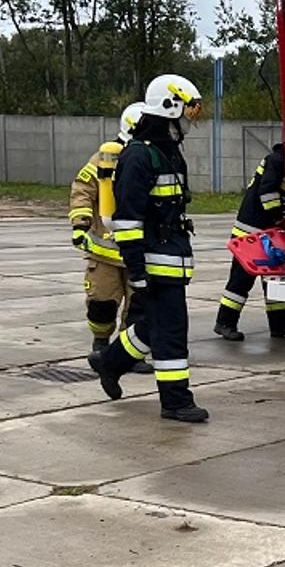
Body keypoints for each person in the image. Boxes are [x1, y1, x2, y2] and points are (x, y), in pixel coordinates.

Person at [91, 74, 208, 422]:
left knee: (153, 326)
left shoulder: (168, 153)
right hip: (155, 262)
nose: (190, 120)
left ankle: (110, 362)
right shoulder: (139, 156)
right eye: (188, 110)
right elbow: (127, 221)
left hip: (172, 257)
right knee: (171, 332)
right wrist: (138, 271)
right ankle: (176, 401)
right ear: (169, 107)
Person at [70, 102, 152, 372]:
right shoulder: (103, 159)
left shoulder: (151, 157)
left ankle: (130, 355)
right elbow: (83, 190)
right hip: (105, 253)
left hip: (139, 253)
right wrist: (80, 225)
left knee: (138, 307)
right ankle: (101, 343)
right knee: (101, 303)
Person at [213, 143, 285, 342]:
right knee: (241, 281)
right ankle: (225, 323)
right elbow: (267, 193)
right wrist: (278, 218)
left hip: (269, 234)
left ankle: (280, 325)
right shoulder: (276, 161)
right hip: (249, 233)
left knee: (275, 280)